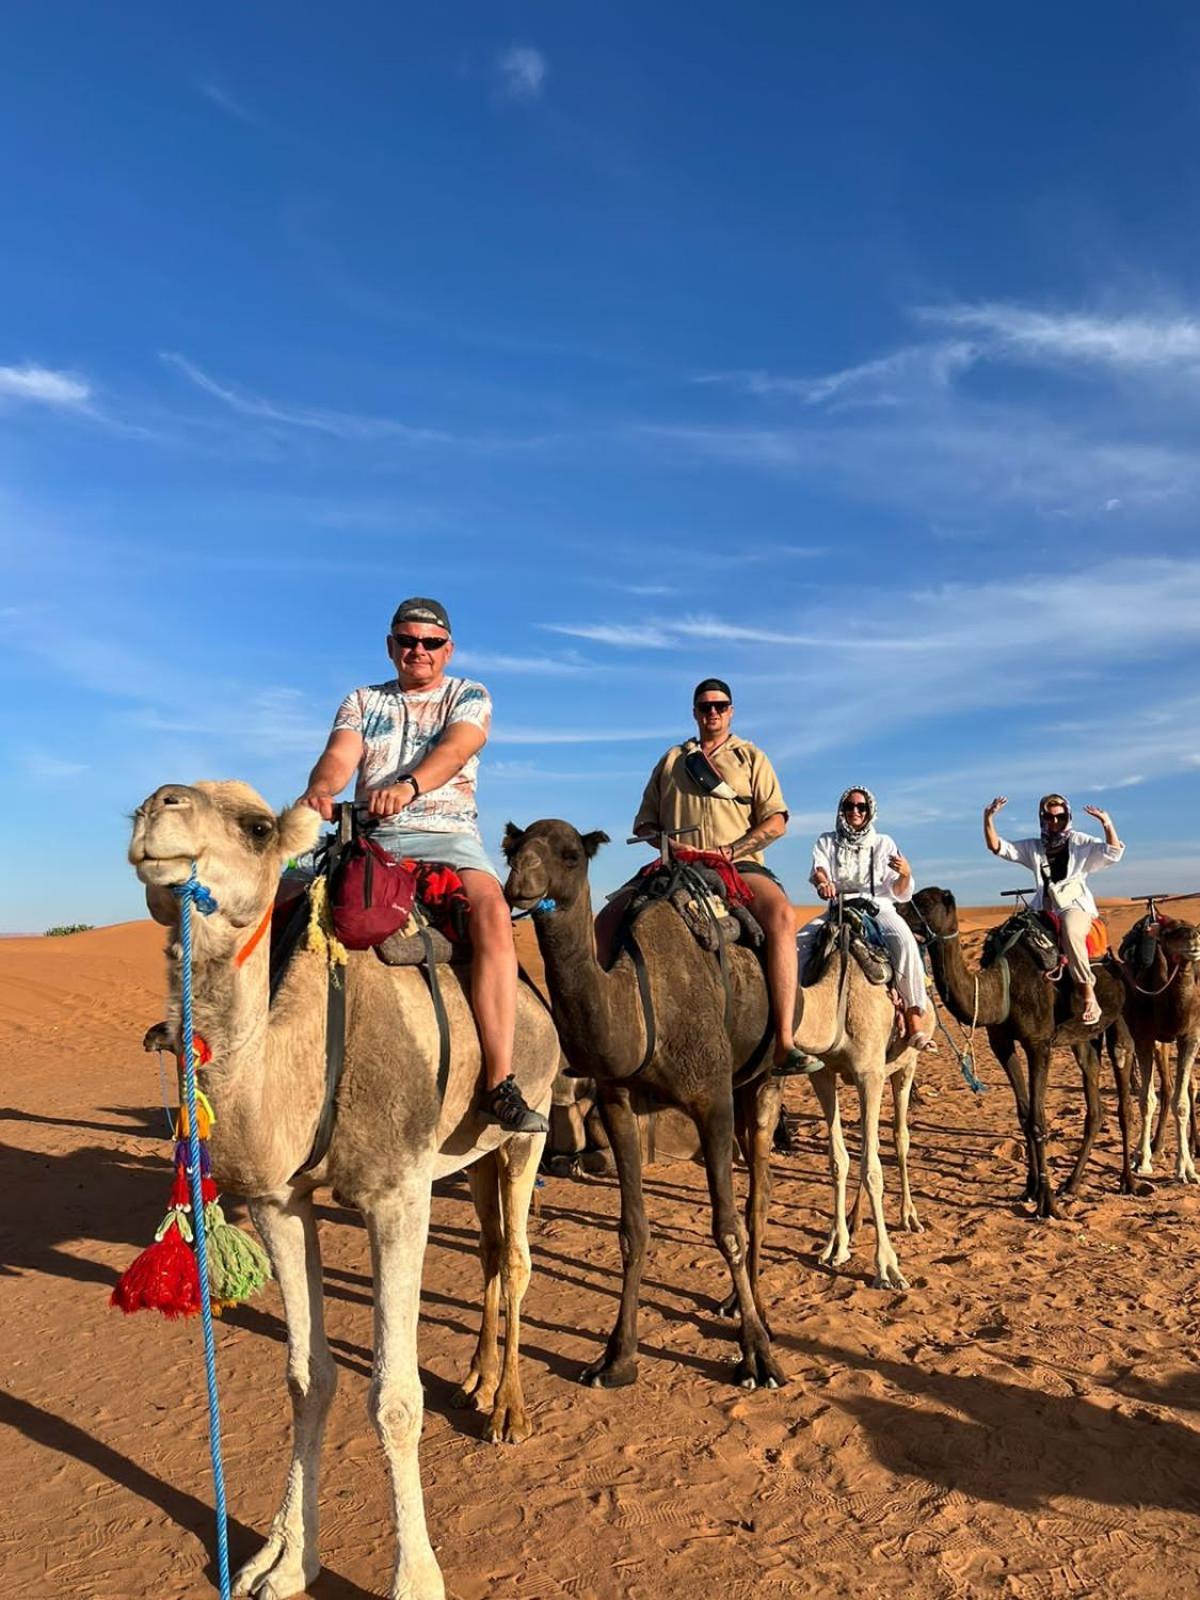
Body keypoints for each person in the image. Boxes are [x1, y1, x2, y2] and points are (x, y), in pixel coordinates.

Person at [299, 597, 548, 1134]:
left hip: (449, 837)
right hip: (371, 838)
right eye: (408, 641)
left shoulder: (469, 694)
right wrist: (321, 789)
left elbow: (458, 749)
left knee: (492, 918)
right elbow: (341, 756)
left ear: (448, 649)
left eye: (431, 643)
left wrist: (408, 786)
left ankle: (500, 1082)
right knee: (277, 900)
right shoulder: (362, 700)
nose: (419, 651)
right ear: (391, 646)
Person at [596, 677, 807, 1075]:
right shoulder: (673, 760)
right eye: (705, 706)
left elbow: (776, 820)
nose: (713, 713)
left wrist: (732, 850)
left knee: (782, 917)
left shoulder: (751, 758)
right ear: (694, 712)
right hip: (676, 865)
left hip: (737, 865)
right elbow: (644, 823)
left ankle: (785, 1041)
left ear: (731, 711)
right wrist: (667, 845)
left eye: (720, 706)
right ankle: (600, 1037)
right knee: (607, 920)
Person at [798, 786, 931, 1046]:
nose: (855, 811)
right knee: (795, 945)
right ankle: (795, 1017)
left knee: (905, 942)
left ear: (870, 811)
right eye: (849, 806)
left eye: (861, 807)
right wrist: (823, 882)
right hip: (839, 907)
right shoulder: (827, 840)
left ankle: (914, 1018)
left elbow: (899, 891)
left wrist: (905, 873)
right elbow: (819, 870)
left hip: (877, 906)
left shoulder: (884, 843)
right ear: (842, 810)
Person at [983, 793, 1123, 1026]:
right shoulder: (1034, 847)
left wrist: (1106, 823)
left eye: (1060, 817)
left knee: (1070, 929)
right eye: (1048, 817)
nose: (1054, 822)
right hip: (1042, 908)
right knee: (1010, 933)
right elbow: (997, 846)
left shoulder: (1080, 842)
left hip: (1074, 906)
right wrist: (988, 819)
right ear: (1042, 818)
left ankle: (1088, 993)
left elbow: (1113, 852)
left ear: (1068, 816)